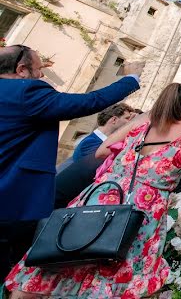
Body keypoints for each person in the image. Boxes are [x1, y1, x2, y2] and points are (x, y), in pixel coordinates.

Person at [6, 80, 181, 298]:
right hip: (142, 207)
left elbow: (102, 151)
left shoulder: (147, 118)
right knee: (117, 273)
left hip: (103, 193)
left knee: (59, 260)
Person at [0, 44, 143, 281]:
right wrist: (131, 77)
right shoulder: (24, 92)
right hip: (10, 200)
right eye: (38, 70)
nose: (42, 75)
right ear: (21, 69)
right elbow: (88, 102)